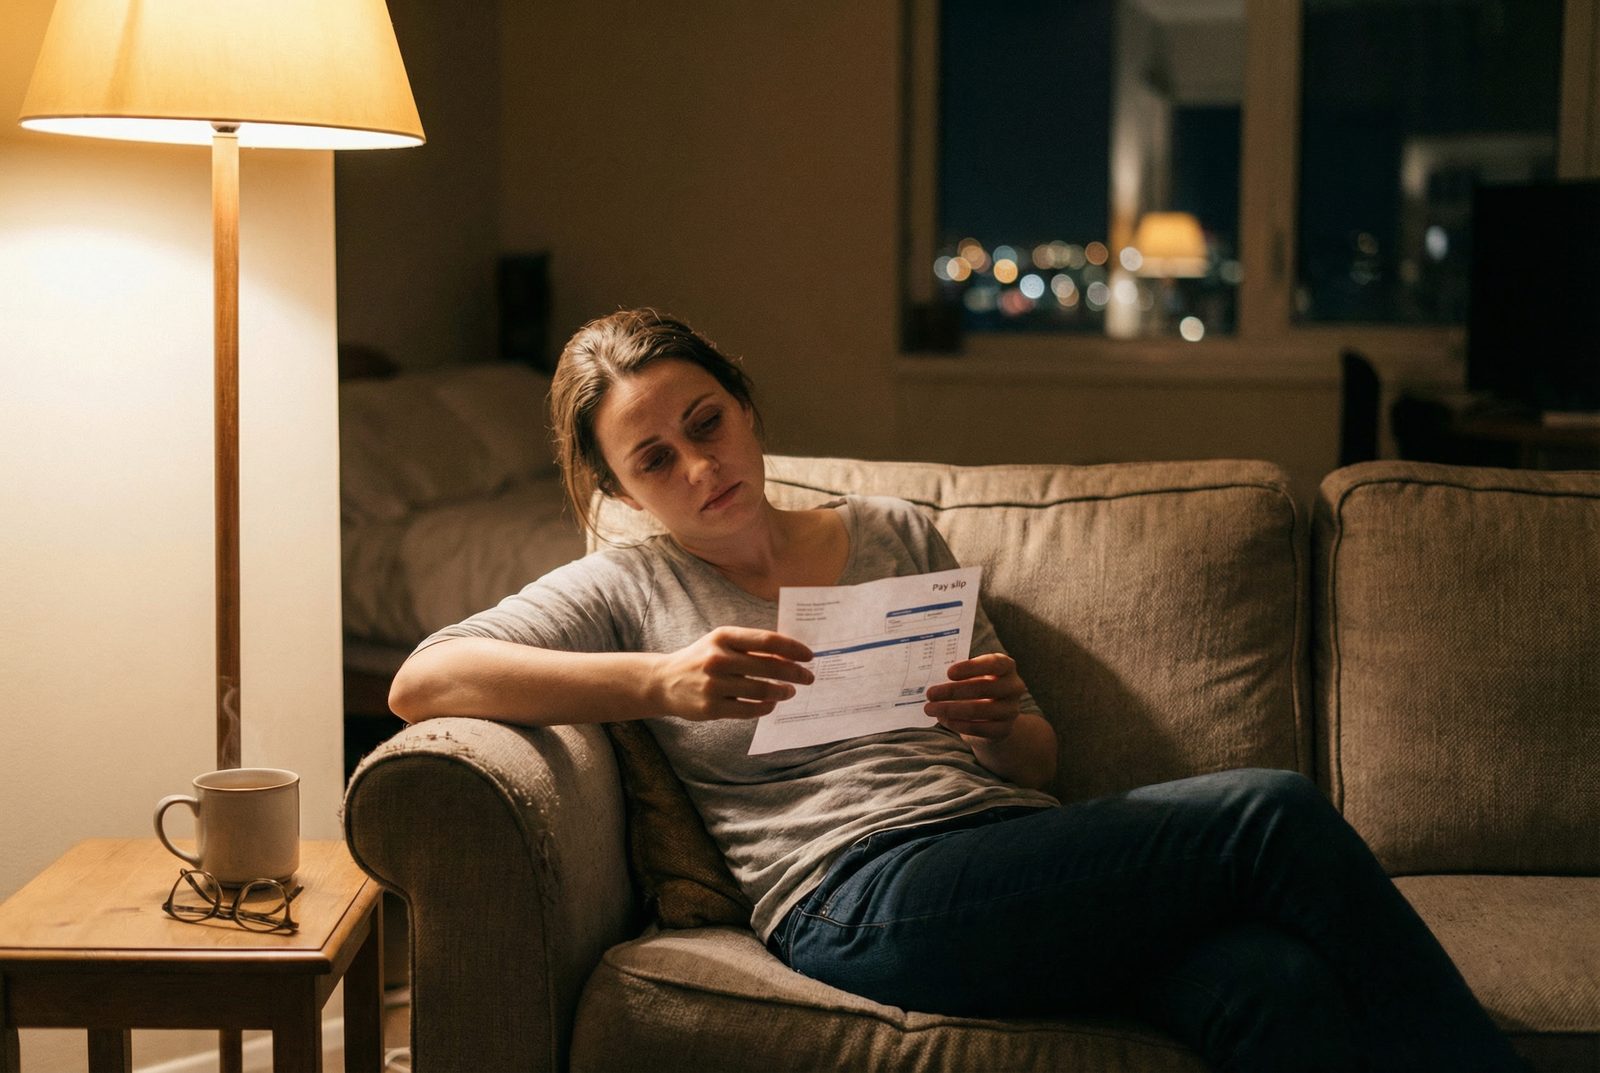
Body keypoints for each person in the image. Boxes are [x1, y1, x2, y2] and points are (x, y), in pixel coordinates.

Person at [389, 308, 1524, 1073]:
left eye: (707, 423)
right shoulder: (629, 584)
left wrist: (995, 723)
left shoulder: (892, 534)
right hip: (851, 895)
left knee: (1269, 984)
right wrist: (661, 681)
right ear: (621, 487)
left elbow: (1037, 760)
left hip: (1005, 844)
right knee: (1268, 810)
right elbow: (420, 680)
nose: (701, 467)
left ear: (746, 406)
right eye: (655, 460)